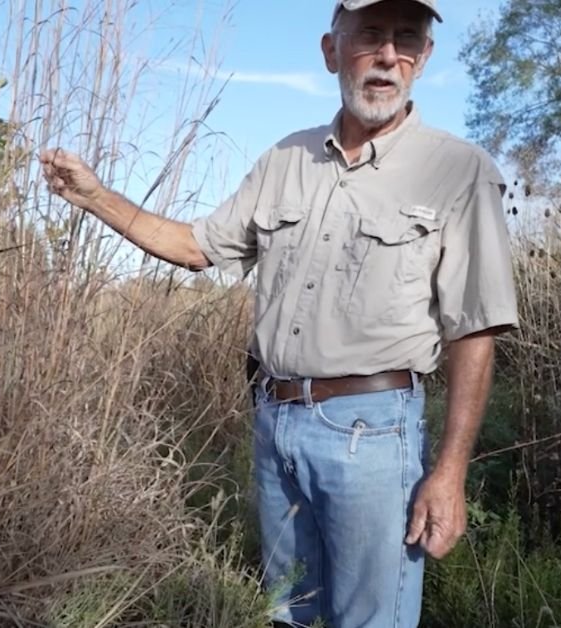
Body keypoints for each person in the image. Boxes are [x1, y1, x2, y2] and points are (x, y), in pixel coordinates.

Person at [40, 0, 519, 625]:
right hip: (275, 424)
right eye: (370, 34)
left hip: (373, 434)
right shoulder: (284, 160)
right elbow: (194, 247)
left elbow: (474, 329)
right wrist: (94, 196)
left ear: (424, 58)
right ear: (331, 50)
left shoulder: (458, 170)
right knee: (290, 613)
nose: (387, 56)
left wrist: (450, 472)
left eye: (407, 39)